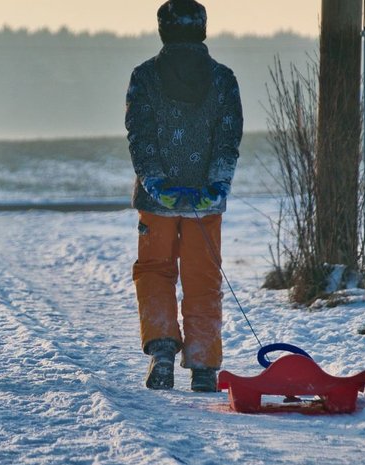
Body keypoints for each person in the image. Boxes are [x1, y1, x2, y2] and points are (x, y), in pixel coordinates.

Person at [125, 0, 243, 391]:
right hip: (205, 203)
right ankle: (204, 366)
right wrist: (217, 184)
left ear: (163, 31)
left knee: (155, 270)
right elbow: (229, 139)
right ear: (203, 30)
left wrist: (155, 180)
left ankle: (162, 350)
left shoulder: (143, 77)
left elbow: (140, 137)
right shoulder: (224, 79)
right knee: (203, 278)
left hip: (157, 201)